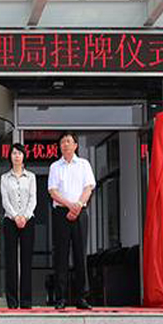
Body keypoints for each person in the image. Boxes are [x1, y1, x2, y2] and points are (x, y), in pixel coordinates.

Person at [48, 132, 96, 310]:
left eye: (68, 141)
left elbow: (88, 187)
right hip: (61, 213)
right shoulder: (55, 166)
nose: (65, 145)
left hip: (80, 213)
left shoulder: (84, 165)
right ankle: (60, 298)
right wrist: (70, 205)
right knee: (61, 255)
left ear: (76, 145)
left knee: (80, 255)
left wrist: (78, 205)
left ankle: (82, 297)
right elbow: (53, 191)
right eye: (62, 142)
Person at [0, 143, 37, 309]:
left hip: (28, 220)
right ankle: (12, 301)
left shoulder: (31, 177)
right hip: (10, 221)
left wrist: (25, 216)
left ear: (24, 157)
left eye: (19, 153)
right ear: (10, 156)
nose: (16, 156)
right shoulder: (4, 178)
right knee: (11, 261)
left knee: (26, 260)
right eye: (14, 153)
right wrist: (16, 216)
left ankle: (26, 301)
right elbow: (5, 200)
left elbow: (33, 199)